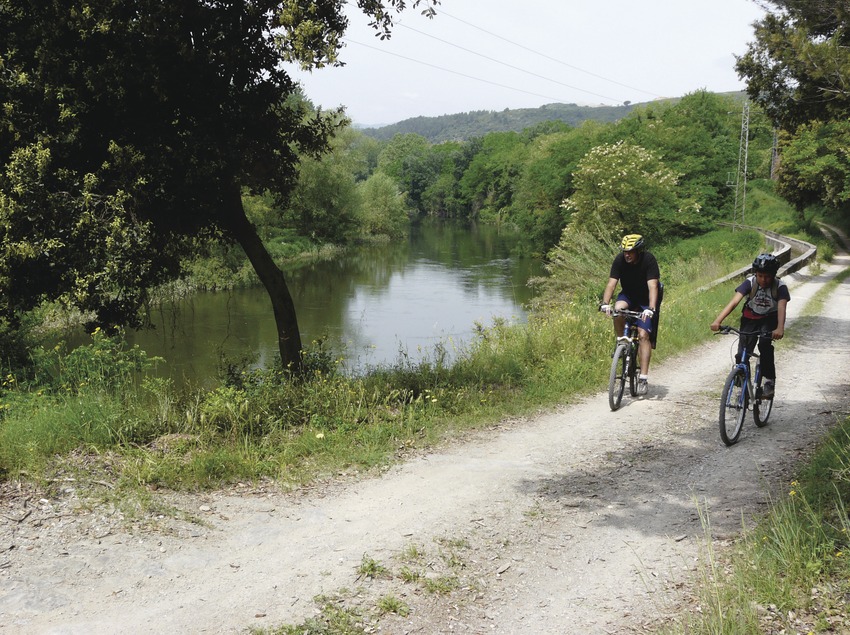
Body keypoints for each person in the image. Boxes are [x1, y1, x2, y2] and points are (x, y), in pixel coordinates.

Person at [710, 253, 790, 398]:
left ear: (773, 275)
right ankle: (742, 383)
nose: (763, 279)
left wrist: (780, 328)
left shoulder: (780, 287)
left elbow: (782, 308)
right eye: (760, 275)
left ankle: (768, 381)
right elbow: (734, 302)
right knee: (742, 353)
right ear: (755, 273)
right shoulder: (750, 282)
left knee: (765, 346)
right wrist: (718, 321)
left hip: (769, 320)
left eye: (767, 276)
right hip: (750, 319)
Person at [601, 234, 661, 395]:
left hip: (645, 301)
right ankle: (621, 341)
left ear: (639, 251)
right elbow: (611, 284)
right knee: (618, 310)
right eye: (625, 251)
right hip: (628, 295)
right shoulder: (620, 260)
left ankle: (643, 378)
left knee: (643, 336)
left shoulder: (648, 260)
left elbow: (653, 286)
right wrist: (605, 303)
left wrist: (651, 308)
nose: (627, 254)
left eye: (631, 251)